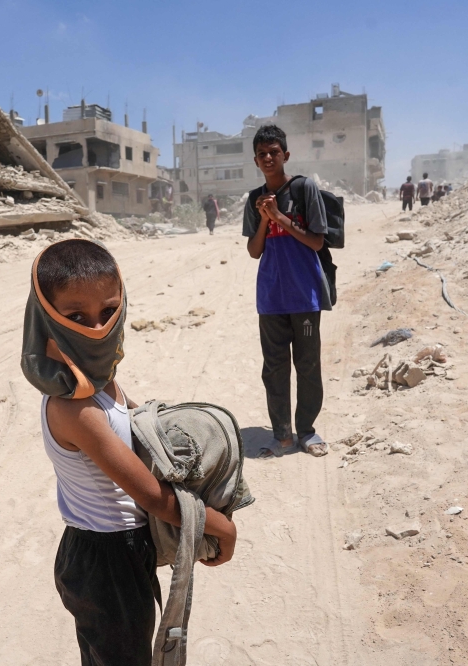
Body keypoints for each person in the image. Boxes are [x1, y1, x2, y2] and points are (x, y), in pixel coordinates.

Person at [23, 239, 237, 666]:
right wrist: (222, 531)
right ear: (47, 318)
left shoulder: (99, 383)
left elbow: (141, 428)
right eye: (76, 316)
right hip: (104, 561)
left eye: (108, 311)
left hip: (122, 551)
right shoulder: (74, 408)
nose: (98, 328)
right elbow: (153, 497)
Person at [242, 124, 331, 459]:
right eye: (262, 154)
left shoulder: (304, 189)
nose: (268, 158)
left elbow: (316, 241)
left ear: (285, 155)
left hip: (304, 294)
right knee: (274, 368)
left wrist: (279, 214)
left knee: (307, 365)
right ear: (255, 159)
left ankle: (306, 431)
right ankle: (282, 434)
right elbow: (254, 251)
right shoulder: (254, 199)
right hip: (270, 297)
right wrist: (265, 218)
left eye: (273, 152)